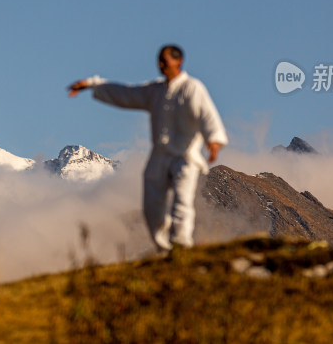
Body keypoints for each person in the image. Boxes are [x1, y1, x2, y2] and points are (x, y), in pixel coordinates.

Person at [68, 45, 228, 251]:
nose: (161, 65)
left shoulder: (192, 88)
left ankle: (181, 244)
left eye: (165, 60)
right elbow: (126, 93)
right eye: (159, 60)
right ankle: (163, 247)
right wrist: (93, 85)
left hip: (185, 155)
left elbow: (208, 115)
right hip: (159, 156)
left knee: (182, 199)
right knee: (152, 205)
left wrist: (213, 141)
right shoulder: (155, 91)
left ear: (179, 62)